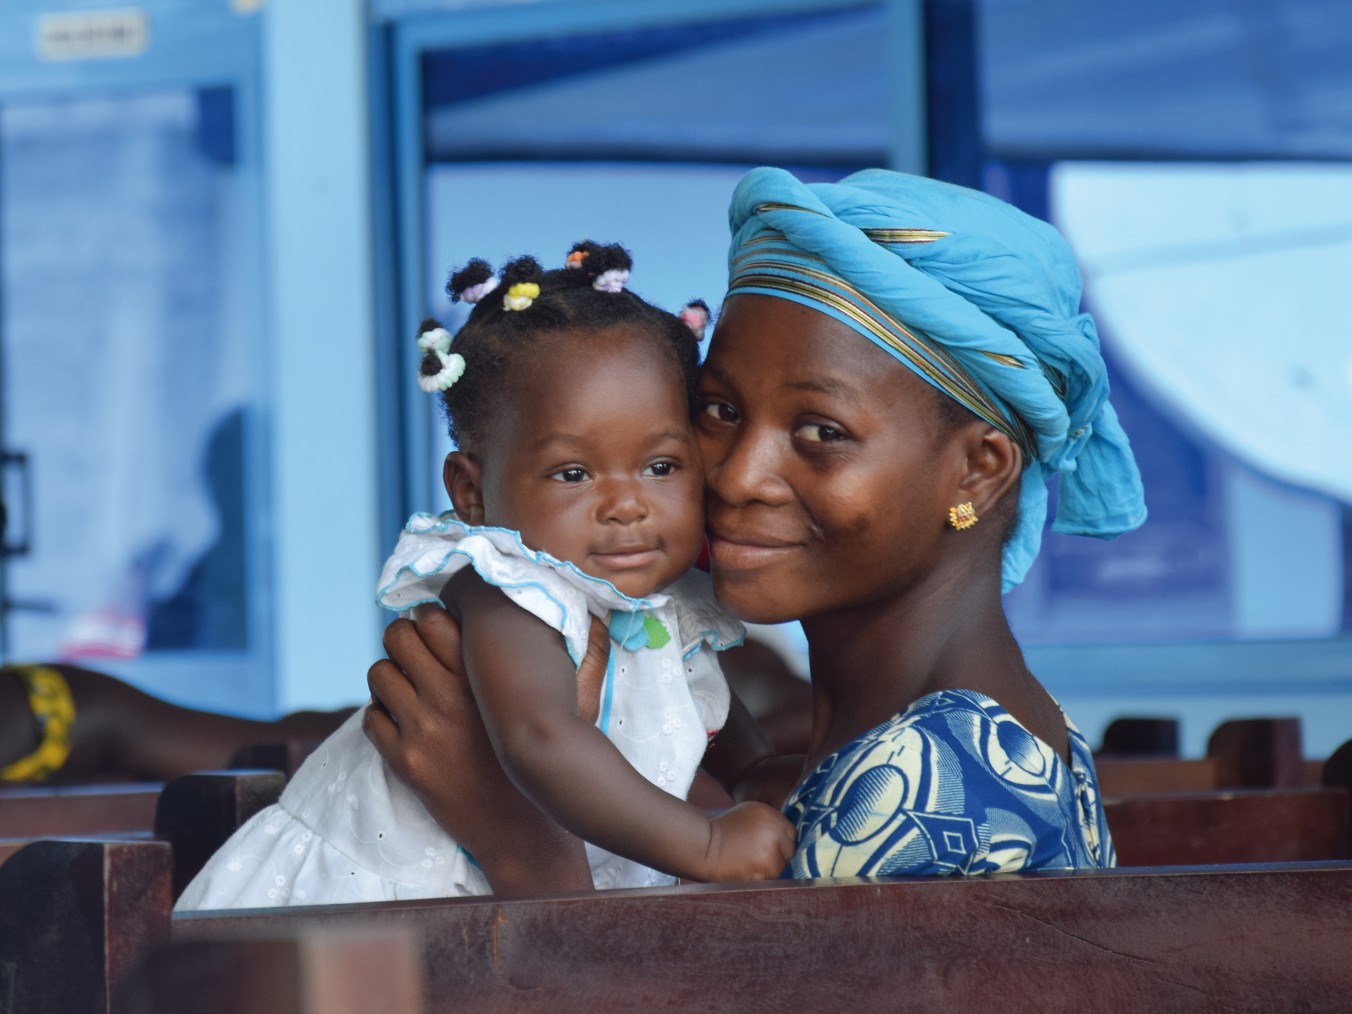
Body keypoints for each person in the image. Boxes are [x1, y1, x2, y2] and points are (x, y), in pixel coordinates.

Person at [364, 168, 1148, 892]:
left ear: (977, 470)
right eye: (720, 410)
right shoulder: (937, 739)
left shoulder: (933, 805)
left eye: (822, 432)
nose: (737, 475)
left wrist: (521, 842)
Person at [175, 242, 794, 910]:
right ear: (471, 492)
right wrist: (707, 843)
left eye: (661, 467)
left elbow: (686, 692)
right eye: (573, 474)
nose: (627, 504)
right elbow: (539, 738)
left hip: (516, 902)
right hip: (380, 903)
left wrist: (753, 769)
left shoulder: (651, 598)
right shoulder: (507, 590)